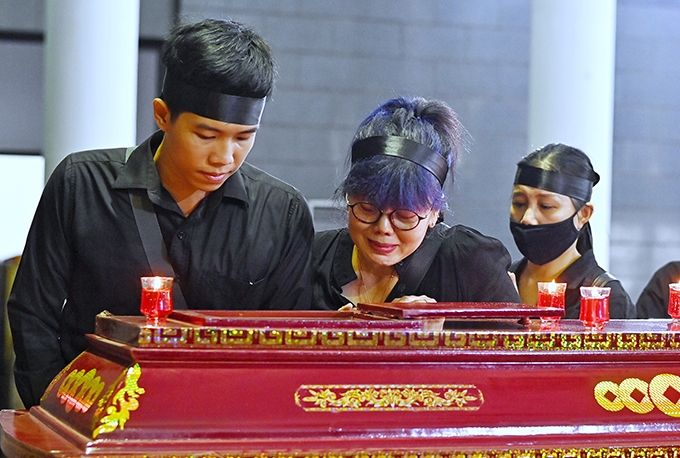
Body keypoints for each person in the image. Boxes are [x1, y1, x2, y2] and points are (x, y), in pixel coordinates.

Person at [8, 18, 314, 407]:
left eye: (243, 137)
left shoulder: (281, 212)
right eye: (206, 135)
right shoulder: (81, 184)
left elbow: (284, 345)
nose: (224, 157)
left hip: (219, 417)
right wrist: (53, 409)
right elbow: (33, 313)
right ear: (162, 114)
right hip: (91, 414)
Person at [312, 96, 521, 309]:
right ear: (349, 197)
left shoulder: (470, 263)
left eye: (405, 216)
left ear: (434, 212)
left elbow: (519, 331)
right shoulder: (313, 256)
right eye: (367, 209)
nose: (383, 228)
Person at [508, 143, 635, 318]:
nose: (527, 218)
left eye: (546, 206)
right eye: (519, 203)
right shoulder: (501, 281)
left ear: (583, 214)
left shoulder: (603, 298)